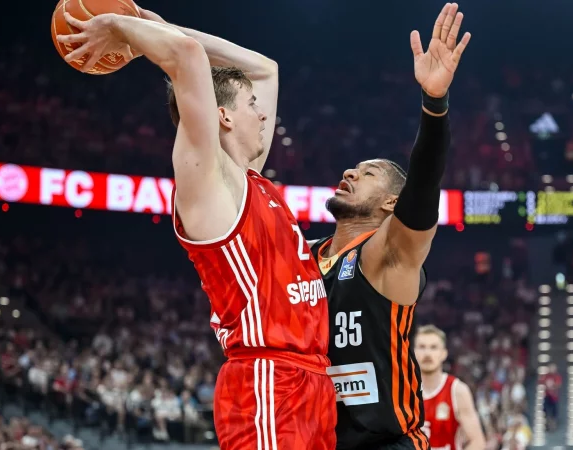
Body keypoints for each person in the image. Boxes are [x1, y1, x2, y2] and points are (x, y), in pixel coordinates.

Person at [57, 10, 335, 450]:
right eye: (252, 106)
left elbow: (265, 68)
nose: (264, 116)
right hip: (267, 380)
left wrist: (154, 21)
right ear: (222, 116)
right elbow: (187, 58)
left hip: (311, 380)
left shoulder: (253, 181)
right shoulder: (208, 180)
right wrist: (119, 25)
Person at [308, 3, 471, 449]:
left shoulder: (385, 255)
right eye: (355, 167)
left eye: (369, 172)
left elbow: (424, 184)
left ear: (391, 202)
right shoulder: (303, 257)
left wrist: (434, 104)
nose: (351, 172)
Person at [415, 326, 485, 450]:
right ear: (414, 352)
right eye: (422, 347)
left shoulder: (457, 390)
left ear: (444, 354)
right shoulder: (403, 390)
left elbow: (478, 442)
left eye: (433, 347)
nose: (427, 353)